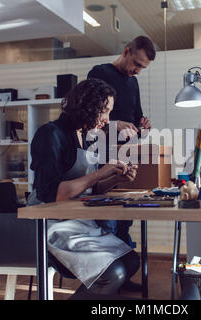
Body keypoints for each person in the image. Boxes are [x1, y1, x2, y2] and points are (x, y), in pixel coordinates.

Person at [27, 78, 140, 295]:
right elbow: (53, 194)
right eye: (104, 111)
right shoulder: (50, 134)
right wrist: (100, 173)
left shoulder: (87, 136)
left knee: (130, 261)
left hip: (78, 220)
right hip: (52, 224)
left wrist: (116, 178)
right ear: (87, 106)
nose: (107, 120)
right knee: (113, 274)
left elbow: (90, 189)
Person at [87, 36, 156, 266]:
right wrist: (114, 123)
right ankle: (106, 275)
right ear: (126, 52)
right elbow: (90, 117)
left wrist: (143, 126)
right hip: (102, 153)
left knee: (126, 217)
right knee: (108, 219)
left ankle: (121, 273)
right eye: (136, 64)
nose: (137, 71)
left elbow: (136, 120)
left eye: (142, 68)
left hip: (127, 154)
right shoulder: (99, 73)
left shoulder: (133, 83)